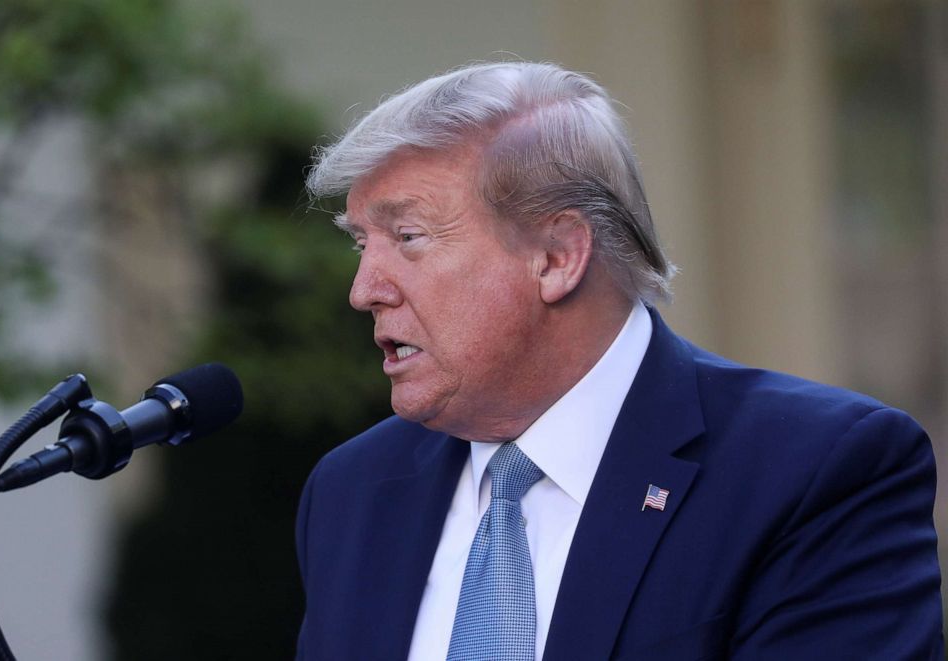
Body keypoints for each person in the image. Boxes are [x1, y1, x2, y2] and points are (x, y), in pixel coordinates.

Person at [295, 61, 943, 660]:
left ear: (557, 256)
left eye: (408, 237)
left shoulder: (814, 471)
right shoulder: (353, 491)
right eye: (361, 244)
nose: (363, 290)